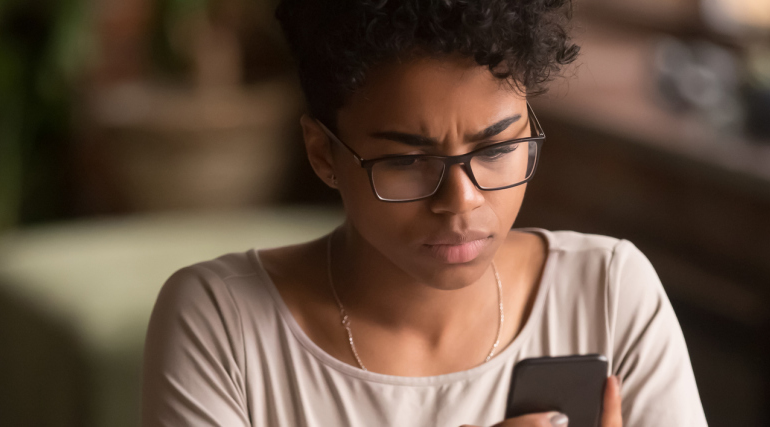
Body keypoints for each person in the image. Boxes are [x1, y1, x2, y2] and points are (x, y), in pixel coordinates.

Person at [141, 0, 707, 425]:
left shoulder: (608, 293)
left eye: (497, 149)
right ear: (323, 153)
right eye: (408, 161)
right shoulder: (223, 324)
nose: (462, 201)